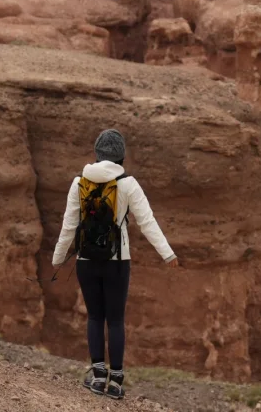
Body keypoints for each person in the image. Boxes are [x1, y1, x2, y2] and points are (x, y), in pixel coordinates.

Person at [52, 128, 178, 400]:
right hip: (117, 262)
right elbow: (147, 222)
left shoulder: (78, 183)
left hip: (86, 261)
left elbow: (68, 226)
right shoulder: (128, 184)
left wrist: (57, 257)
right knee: (116, 320)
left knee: (95, 317)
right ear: (121, 156)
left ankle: (98, 377)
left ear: (97, 154)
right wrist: (167, 254)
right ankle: (116, 382)